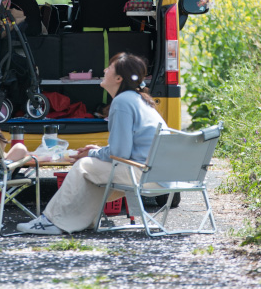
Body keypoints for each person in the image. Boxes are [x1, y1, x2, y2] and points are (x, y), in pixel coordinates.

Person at [16, 53, 166, 235]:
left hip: (144, 175)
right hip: (158, 174)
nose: (104, 70)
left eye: (109, 67)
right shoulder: (139, 100)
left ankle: (50, 220)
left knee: (84, 166)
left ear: (118, 78)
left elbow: (121, 153)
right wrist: (98, 151)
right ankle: (78, 221)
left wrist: (92, 154)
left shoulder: (122, 102)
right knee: (92, 173)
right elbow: (126, 151)